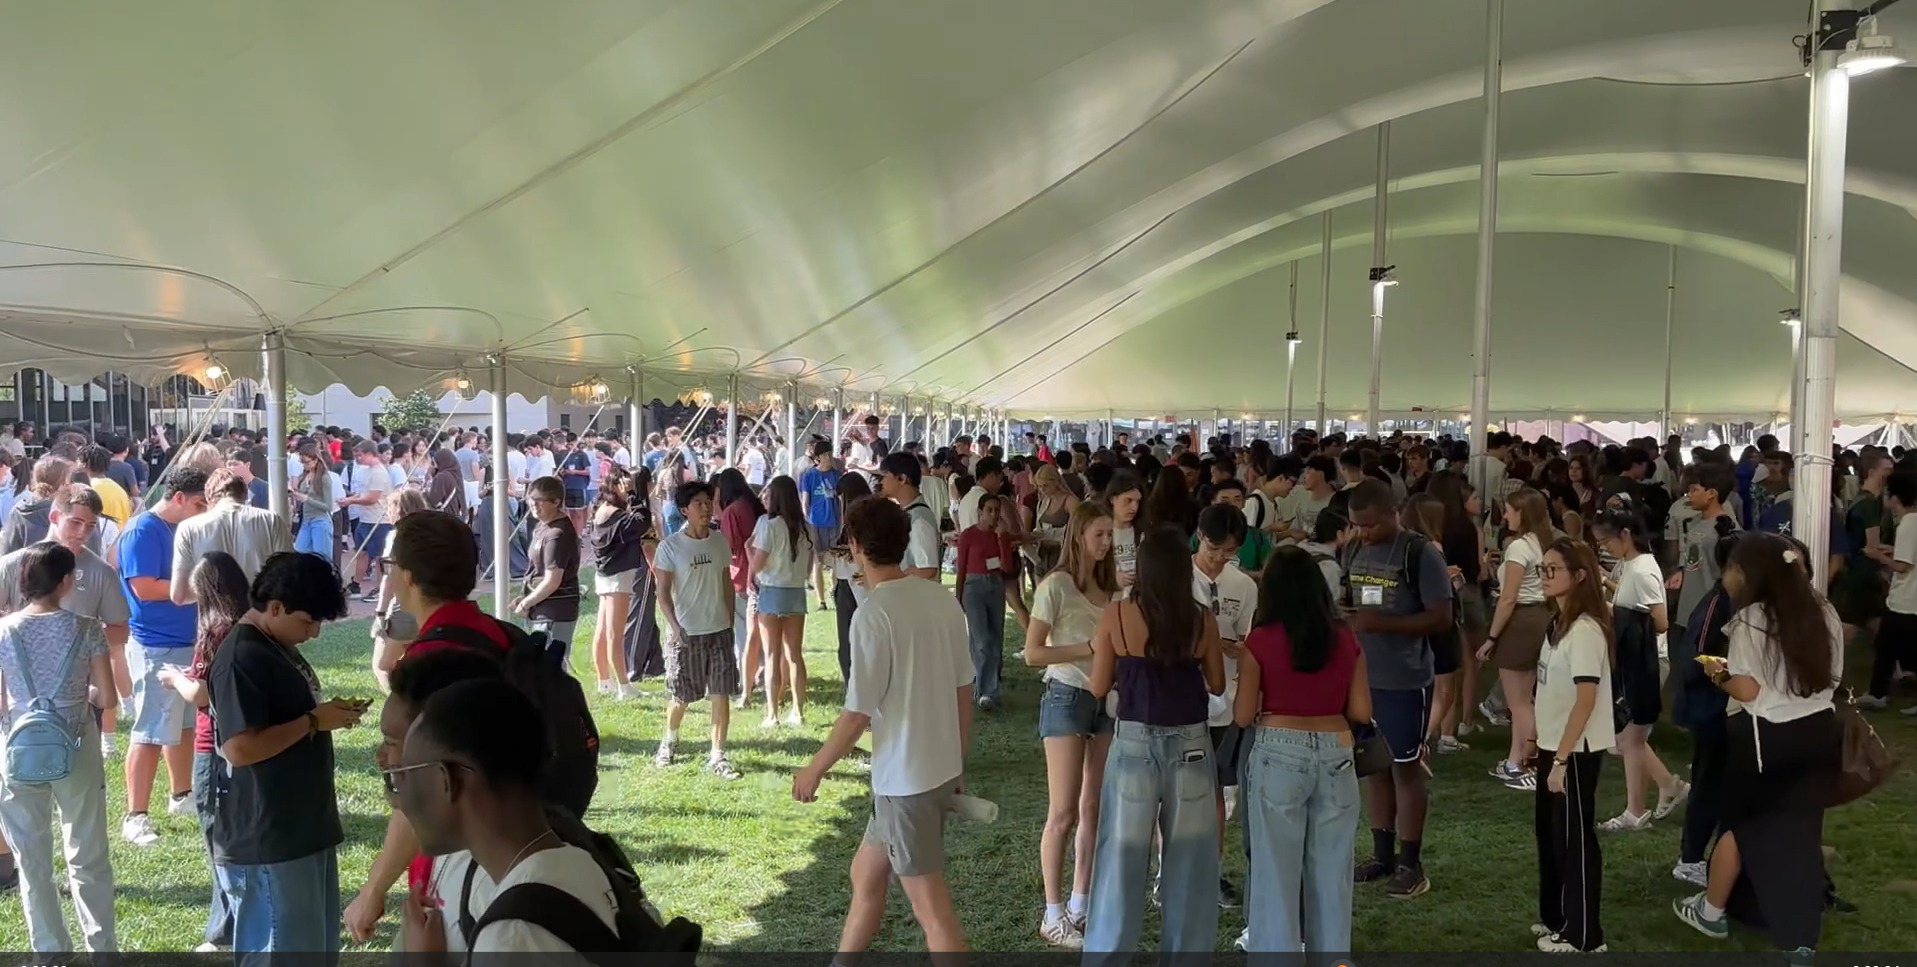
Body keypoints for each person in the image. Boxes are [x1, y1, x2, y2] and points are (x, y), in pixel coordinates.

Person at [792, 496, 973, 955]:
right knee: (866, 874)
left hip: (905, 782)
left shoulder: (874, 614)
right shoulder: (941, 600)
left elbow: (858, 713)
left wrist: (815, 768)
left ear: (854, 546)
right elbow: (962, 690)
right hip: (928, 773)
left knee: (933, 913)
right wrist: (959, 760)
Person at [1675, 534, 1844, 957]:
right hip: (1820, 732)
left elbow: (1748, 689)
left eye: (1732, 566)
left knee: (1747, 827)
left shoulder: (1750, 620)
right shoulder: (1825, 611)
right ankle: (1801, 940)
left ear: (1749, 574)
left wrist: (1717, 672)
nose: (1727, 574)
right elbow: (1835, 676)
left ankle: (1710, 911)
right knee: (1802, 835)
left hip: (1767, 735)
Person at [389, 679, 622, 955]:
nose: (400, 793)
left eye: (404, 774)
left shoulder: (510, 938)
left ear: (447, 779)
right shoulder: (581, 861)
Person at [206, 551, 360, 957]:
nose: (313, 634)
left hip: (300, 827)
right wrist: (312, 721)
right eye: (307, 622)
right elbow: (238, 748)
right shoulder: (242, 655)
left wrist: (323, 716)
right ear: (275, 607)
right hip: (267, 837)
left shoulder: (275, 643)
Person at [1083, 527, 1227, 959]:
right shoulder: (1202, 619)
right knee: (1192, 863)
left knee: (1119, 862)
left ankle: (1107, 955)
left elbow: (1097, 686)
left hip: (1134, 743)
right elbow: (1218, 684)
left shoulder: (1118, 615)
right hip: (1191, 743)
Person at [1232, 545, 1368, 953]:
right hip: (1337, 751)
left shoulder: (1260, 640)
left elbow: (1241, 716)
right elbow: (1362, 709)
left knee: (1275, 873)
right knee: (1333, 875)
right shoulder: (1345, 639)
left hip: (1278, 748)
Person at [0, 542, 118, 952]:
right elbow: (107, 697)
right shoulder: (87, 628)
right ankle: (102, 949)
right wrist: (74, 692)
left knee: (31, 859)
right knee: (87, 852)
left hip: (18, 746)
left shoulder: (4, 631)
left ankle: (49, 950)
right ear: (66, 582)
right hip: (75, 743)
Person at [1344, 478, 1450, 898]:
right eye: (1356, 525)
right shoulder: (1353, 548)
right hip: (1363, 678)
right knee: (1374, 767)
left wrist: (1380, 625)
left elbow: (1441, 618)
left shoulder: (1419, 553)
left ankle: (1411, 863)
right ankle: (1382, 854)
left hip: (1405, 680)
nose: (1362, 532)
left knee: (1406, 769)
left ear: (1393, 513)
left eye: (1369, 525)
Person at [1022, 500, 1118, 948]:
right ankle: (1052, 912)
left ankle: (1081, 903)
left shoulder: (1112, 589)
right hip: (1064, 697)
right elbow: (1032, 653)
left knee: (1092, 807)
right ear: (1078, 536)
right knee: (1061, 813)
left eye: (1109, 535)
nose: (1106, 543)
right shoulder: (1055, 585)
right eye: (1098, 534)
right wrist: (1087, 648)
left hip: (1104, 702)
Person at [158, 551, 250, 953]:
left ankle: (224, 930)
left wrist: (175, 678)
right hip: (243, 741)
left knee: (219, 837)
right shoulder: (251, 625)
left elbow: (200, 693)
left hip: (213, 745)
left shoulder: (216, 631)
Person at [0, 485, 131, 759]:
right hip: (20, 697)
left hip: (79, 695)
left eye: (91, 525)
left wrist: (81, 643)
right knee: (23, 788)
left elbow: (120, 630)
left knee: (79, 785)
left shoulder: (101, 573)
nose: (82, 532)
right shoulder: (14, 565)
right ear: (54, 517)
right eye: (75, 522)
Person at [1530, 539, 1616, 952]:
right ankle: (1558, 918)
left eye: (1552, 570)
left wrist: (1561, 759)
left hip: (1576, 752)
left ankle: (1584, 935)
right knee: (1551, 837)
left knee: (1575, 841)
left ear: (1579, 576)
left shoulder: (1585, 631)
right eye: (1541, 570)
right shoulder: (1558, 623)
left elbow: (1586, 699)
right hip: (1555, 745)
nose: (1544, 577)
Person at [117, 465, 209, 846]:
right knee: (151, 730)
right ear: (178, 499)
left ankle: (181, 795)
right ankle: (135, 816)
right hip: (156, 642)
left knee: (184, 724)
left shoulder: (184, 528)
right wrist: (204, 588)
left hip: (187, 639)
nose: (204, 511)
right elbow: (143, 587)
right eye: (200, 504)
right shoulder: (143, 529)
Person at [1588, 508, 1689, 832]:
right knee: (1629, 738)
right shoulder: (1631, 565)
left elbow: (1659, 622)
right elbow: (1628, 598)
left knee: (1629, 738)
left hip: (1646, 661)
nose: (1605, 548)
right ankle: (1658, 793)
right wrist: (1604, 582)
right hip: (1635, 659)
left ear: (1626, 535)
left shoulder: (1643, 569)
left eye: (1606, 541)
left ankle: (1642, 806)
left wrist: (1611, 611)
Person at [1191, 503, 1257, 910]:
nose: (1218, 559)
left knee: (1216, 789)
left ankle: (1211, 873)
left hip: (1227, 700)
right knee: (1180, 794)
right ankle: (1171, 871)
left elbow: (1252, 639)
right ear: (1199, 536)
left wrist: (1237, 649)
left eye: (1228, 553)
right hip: (1182, 699)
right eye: (1214, 549)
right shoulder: (1176, 578)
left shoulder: (1242, 585)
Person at [652, 481, 742, 779]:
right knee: (682, 696)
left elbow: (726, 582)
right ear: (684, 511)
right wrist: (675, 627)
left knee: (720, 694)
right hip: (687, 633)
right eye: (699, 504)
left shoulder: (719, 541)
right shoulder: (670, 547)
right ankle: (670, 740)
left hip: (719, 630)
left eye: (708, 502)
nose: (706, 508)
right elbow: (662, 593)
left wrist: (728, 621)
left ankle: (717, 755)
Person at [1479, 487, 1556, 791]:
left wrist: (1492, 636)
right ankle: (1515, 760)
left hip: (1521, 621)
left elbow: (1508, 597)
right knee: (1527, 699)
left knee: (1519, 702)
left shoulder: (1518, 547)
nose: (1505, 516)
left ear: (1522, 513)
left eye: (1509, 510)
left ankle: (1526, 763)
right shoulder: (1546, 543)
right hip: (1543, 618)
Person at [170, 469, 293, 602]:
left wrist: (210, 592)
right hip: (261, 616)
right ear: (244, 495)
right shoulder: (271, 520)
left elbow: (178, 596)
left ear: (209, 499)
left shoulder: (188, 528)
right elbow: (290, 578)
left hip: (215, 618)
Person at [748, 476, 813, 725]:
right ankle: (798, 711)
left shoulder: (768, 524)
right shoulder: (806, 526)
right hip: (796, 592)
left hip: (772, 591)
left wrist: (751, 562)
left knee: (772, 655)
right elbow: (809, 565)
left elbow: (760, 559)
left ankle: (772, 713)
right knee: (795, 655)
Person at [588, 466, 648, 701]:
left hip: (605, 574)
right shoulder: (616, 514)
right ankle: (624, 686)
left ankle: (605, 681)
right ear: (615, 487)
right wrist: (634, 495)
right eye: (624, 485)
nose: (628, 489)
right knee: (615, 633)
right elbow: (642, 522)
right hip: (617, 576)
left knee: (603, 631)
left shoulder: (602, 510)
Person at [1861, 469, 1917, 713]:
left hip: (1905, 600)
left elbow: (1904, 566)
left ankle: (1877, 694)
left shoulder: (1907, 524)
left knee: (1886, 647)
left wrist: (1876, 555)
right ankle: (1879, 692)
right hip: (1911, 600)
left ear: (1895, 496)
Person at [514, 477, 582, 659]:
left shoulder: (557, 534)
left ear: (556, 502)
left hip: (556, 610)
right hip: (542, 606)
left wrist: (526, 603)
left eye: (539, 501)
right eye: (531, 500)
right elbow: (537, 571)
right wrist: (526, 595)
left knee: (551, 668)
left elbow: (552, 580)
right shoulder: (542, 527)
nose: (533, 505)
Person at [954, 494, 1009, 711]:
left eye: (997, 510)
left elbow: (1006, 567)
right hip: (973, 586)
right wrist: (958, 597)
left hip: (995, 585)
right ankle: (985, 691)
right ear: (980, 511)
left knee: (995, 637)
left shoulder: (1000, 536)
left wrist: (1002, 539)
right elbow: (961, 569)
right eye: (989, 510)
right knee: (982, 639)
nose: (993, 515)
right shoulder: (968, 535)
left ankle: (988, 687)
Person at [877, 452, 941, 582]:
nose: (881, 482)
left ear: (902, 478)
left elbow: (927, 570)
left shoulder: (919, 519)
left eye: (884, 476)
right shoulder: (910, 513)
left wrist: (894, 576)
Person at [799, 440, 844, 613]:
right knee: (818, 561)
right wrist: (808, 519)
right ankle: (821, 600)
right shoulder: (809, 476)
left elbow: (841, 499)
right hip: (816, 523)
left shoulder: (837, 475)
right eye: (824, 454)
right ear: (818, 458)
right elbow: (805, 500)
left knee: (835, 561)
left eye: (829, 453)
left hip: (834, 522)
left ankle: (835, 591)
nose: (828, 457)